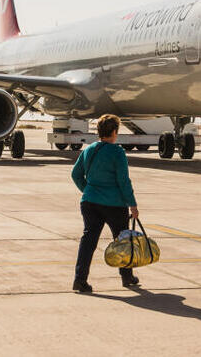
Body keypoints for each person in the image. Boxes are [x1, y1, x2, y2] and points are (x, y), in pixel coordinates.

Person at [71, 114, 140, 293]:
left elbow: (75, 174)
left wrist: (88, 190)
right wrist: (132, 204)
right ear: (114, 132)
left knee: (88, 241)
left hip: (89, 202)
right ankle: (127, 277)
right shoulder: (118, 152)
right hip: (114, 204)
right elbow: (124, 181)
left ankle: (79, 280)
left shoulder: (89, 149)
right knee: (122, 241)